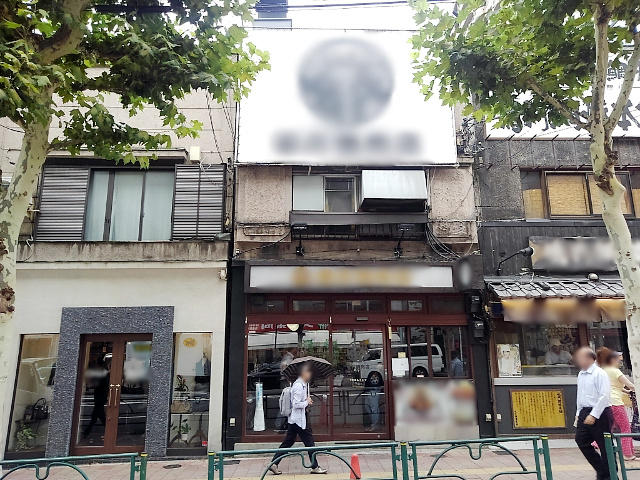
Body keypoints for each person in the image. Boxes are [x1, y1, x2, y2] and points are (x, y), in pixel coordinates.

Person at [269, 363, 327, 475]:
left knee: (288, 442)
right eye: (309, 372)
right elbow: (296, 404)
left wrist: (306, 401)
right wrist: (306, 402)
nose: (310, 374)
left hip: (295, 420)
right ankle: (315, 466)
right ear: (303, 373)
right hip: (299, 421)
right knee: (309, 443)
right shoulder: (298, 386)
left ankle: (274, 464)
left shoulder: (302, 385)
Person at [574, 346, 614, 480]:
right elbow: (580, 395)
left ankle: (610, 476)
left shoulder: (599, 373)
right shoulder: (581, 374)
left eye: (581, 358)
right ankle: (603, 472)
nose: (579, 361)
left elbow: (604, 395)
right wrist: (578, 412)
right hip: (584, 411)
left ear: (590, 358)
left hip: (600, 412)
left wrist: (594, 414)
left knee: (605, 446)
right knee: (581, 440)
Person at [598, 347, 636, 461]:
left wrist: (625, 391)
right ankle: (627, 454)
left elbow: (612, 385)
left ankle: (595, 442)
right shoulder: (615, 371)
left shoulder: (603, 370)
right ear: (612, 360)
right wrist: (635, 389)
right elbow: (631, 385)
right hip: (616, 403)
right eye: (618, 360)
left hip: (607, 402)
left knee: (611, 426)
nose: (620, 362)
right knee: (625, 428)